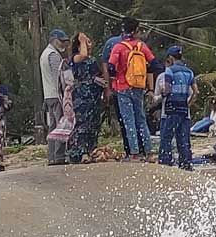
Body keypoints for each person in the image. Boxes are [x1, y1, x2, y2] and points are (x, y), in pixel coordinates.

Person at [108, 16, 155, 160]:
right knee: (141, 118)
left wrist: (115, 78)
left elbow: (111, 67)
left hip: (123, 87)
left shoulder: (118, 47)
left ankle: (134, 152)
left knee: (129, 120)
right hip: (138, 87)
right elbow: (153, 63)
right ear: (135, 31)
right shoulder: (142, 46)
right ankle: (149, 152)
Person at [65, 32, 106, 164]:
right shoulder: (76, 58)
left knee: (94, 123)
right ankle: (81, 152)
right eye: (86, 42)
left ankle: (91, 149)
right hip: (82, 95)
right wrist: (81, 39)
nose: (89, 44)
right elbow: (83, 55)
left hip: (94, 94)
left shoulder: (92, 59)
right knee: (83, 123)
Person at [157, 46, 197, 170]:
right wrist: (187, 104)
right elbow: (196, 92)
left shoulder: (169, 71)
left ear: (170, 57)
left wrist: (162, 96)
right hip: (184, 110)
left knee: (166, 137)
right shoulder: (189, 72)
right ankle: (186, 164)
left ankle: (165, 163)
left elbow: (167, 89)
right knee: (183, 138)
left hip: (171, 108)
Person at [40, 29, 69, 166]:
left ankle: (51, 156)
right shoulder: (53, 55)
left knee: (52, 127)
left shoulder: (44, 54)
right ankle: (59, 156)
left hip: (48, 95)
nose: (63, 44)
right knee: (61, 126)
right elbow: (60, 76)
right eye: (61, 41)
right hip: (57, 95)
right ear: (54, 40)